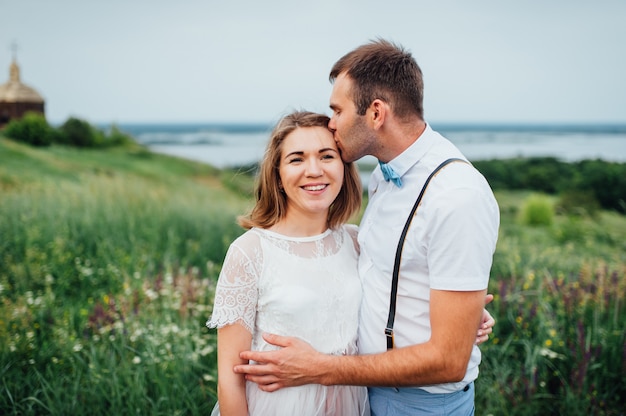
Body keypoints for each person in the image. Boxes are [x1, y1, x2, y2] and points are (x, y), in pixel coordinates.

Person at [234, 39, 501, 415]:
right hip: (360, 396)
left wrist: (321, 369)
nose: (331, 123)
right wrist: (453, 311)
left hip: (418, 405)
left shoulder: (456, 195)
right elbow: (381, 274)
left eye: (337, 110)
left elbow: (450, 360)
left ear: (376, 113)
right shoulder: (382, 177)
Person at [206, 111, 369, 415]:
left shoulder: (357, 242)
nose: (314, 170)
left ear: (344, 168)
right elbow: (230, 380)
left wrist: (459, 318)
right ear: (278, 176)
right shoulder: (250, 252)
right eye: (296, 159)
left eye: (326, 156)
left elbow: (393, 304)